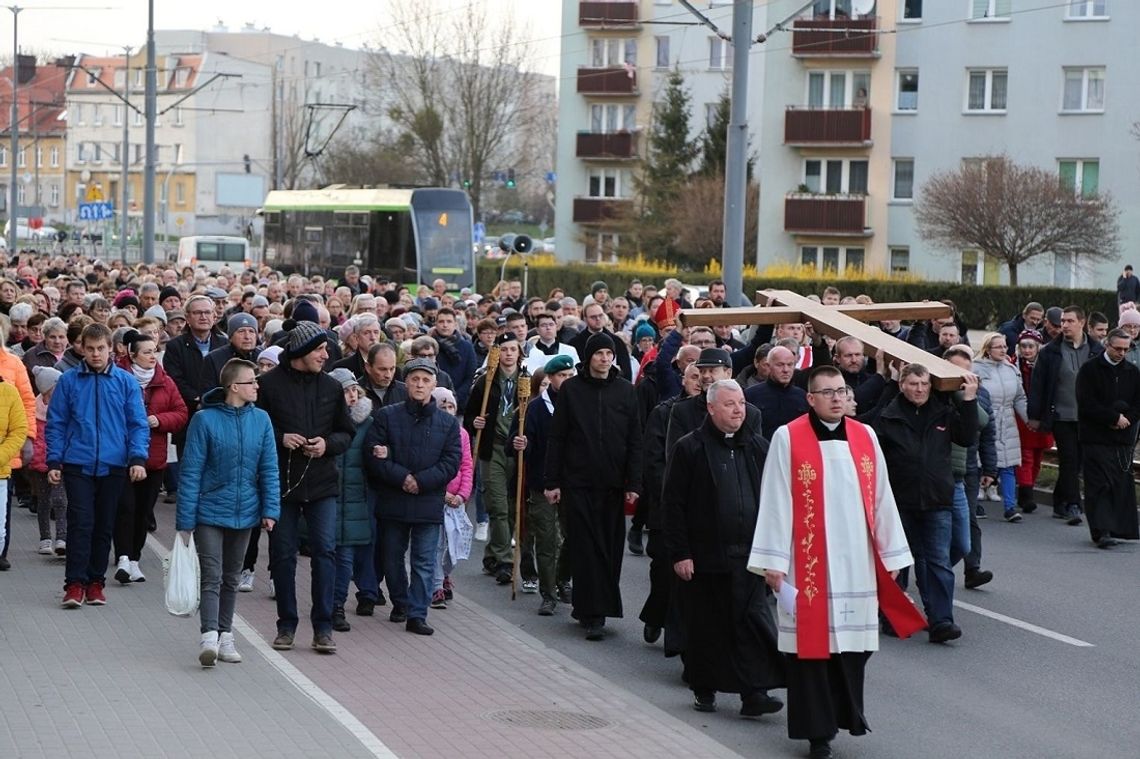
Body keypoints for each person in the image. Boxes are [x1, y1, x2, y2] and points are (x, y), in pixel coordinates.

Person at [750, 365, 918, 759]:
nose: (837, 398)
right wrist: (773, 561)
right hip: (806, 564)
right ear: (810, 398)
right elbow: (775, 499)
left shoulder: (865, 435)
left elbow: (881, 495)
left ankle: (846, 713)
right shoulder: (787, 437)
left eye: (841, 391)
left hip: (857, 562)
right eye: (827, 392)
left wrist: (890, 553)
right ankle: (817, 732)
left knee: (854, 648)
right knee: (812, 652)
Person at [662, 379, 785, 717]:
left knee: (751, 624)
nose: (737, 411)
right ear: (711, 408)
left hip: (750, 556)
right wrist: (680, 553)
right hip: (706, 557)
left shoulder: (758, 447)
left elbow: (775, 500)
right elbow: (673, 504)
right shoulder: (690, 448)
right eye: (730, 404)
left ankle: (754, 693)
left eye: (742, 404)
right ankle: (705, 687)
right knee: (709, 627)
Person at [257, 321, 355, 653]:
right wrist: (280, 437)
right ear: (300, 351)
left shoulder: (331, 387)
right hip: (281, 484)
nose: (327, 355)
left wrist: (327, 445)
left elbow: (346, 432)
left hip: (323, 483)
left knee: (325, 552)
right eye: (320, 349)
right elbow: (255, 428)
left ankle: (323, 628)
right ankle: (286, 626)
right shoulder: (267, 385)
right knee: (282, 556)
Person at [177, 358, 280, 667]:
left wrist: (270, 509)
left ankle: (226, 635)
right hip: (209, 510)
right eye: (252, 381)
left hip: (246, 511)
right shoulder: (204, 420)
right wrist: (185, 520)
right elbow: (191, 471)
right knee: (212, 575)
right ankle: (209, 635)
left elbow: (269, 468)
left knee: (231, 577)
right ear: (235, 387)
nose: (257, 386)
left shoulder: (262, 420)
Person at [544, 332, 642, 640]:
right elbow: (557, 437)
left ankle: (602, 605)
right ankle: (591, 612)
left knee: (610, 548)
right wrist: (552, 480)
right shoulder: (572, 390)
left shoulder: (626, 391)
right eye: (598, 353)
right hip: (578, 482)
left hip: (613, 484)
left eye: (608, 353)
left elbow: (635, 439)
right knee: (585, 547)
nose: (604, 358)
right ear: (588, 358)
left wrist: (634, 482)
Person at [47, 323, 149, 608]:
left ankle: (95, 582)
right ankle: (74, 584)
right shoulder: (69, 381)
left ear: (110, 350)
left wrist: (137, 458)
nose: (95, 354)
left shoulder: (125, 382)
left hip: (114, 464)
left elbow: (137, 424)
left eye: (100, 348)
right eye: (90, 349)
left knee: (104, 525)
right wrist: (54, 459)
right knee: (81, 523)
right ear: (82, 349)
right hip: (77, 463)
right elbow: (57, 423)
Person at [875, 364, 977, 643]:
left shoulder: (942, 411)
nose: (919, 389)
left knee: (939, 562)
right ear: (902, 385)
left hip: (936, 500)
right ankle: (894, 617)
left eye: (924, 384)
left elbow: (967, 436)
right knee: (897, 562)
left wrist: (968, 399)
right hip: (899, 502)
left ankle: (941, 620)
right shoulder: (889, 415)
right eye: (913, 384)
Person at [365, 358, 461, 636]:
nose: (420, 385)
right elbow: (374, 453)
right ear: (406, 382)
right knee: (391, 557)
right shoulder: (387, 416)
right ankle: (401, 601)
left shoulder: (447, 423)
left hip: (428, 500)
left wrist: (420, 481)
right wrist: (402, 477)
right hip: (394, 498)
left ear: (434, 384)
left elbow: (451, 461)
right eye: (415, 379)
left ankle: (417, 613)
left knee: (423, 560)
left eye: (426, 380)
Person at [112, 331, 188, 584]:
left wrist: (159, 420)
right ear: (132, 355)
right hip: (121, 456)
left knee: (143, 512)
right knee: (125, 508)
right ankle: (122, 557)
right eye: (146, 352)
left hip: (154, 458)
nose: (152, 356)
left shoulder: (164, 381)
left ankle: (134, 558)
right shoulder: (118, 377)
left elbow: (180, 413)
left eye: (154, 351)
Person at [1028, 306, 1102, 525]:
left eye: (1070, 321)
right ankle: (1073, 505)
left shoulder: (1096, 350)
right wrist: (1035, 414)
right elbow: (1038, 384)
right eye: (1063, 321)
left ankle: (1059, 500)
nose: (1065, 325)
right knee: (1069, 460)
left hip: (1088, 417)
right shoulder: (1051, 351)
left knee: (1078, 462)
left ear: (1082, 322)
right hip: (1061, 415)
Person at [511, 358, 573, 615]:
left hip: (573, 484)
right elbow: (514, 446)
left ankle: (563, 579)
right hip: (542, 485)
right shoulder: (534, 409)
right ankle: (548, 593)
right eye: (561, 375)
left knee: (571, 538)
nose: (566, 380)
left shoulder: (579, 404)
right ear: (551, 377)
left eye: (570, 374)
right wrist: (520, 445)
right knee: (547, 540)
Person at [464, 332, 524, 584]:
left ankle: (491, 554)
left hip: (517, 449)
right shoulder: (486, 382)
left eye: (513, 349)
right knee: (497, 505)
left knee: (511, 506)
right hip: (493, 448)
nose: (509, 354)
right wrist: (475, 422)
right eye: (504, 349)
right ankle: (505, 561)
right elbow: (468, 418)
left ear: (519, 353)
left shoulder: (526, 382)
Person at [1075, 328, 1140, 548]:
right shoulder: (1090, 370)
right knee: (1098, 484)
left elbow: (1138, 403)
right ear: (1107, 345)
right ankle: (1100, 530)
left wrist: (1127, 419)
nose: (1122, 353)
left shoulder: (1132, 371)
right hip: (1095, 436)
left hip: (1122, 438)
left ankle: (1118, 527)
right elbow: (1086, 403)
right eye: (1118, 348)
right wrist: (1113, 417)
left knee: (1120, 484)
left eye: (1126, 349)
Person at [326, 368, 380, 632]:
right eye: (344, 391)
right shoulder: (322, 420)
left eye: (353, 390)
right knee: (326, 556)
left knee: (346, 557)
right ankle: (324, 603)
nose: (350, 396)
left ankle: (337, 606)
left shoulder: (369, 422)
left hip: (357, 500)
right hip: (327, 497)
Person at [972, 332, 1027, 522]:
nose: (1003, 350)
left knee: (1008, 465)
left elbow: (1019, 397)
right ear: (988, 349)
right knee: (979, 463)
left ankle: (1010, 507)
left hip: (1007, 421)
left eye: (1005, 346)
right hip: (985, 418)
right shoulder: (976, 369)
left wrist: (1028, 419)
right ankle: (973, 503)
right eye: (999, 347)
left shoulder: (1010, 369)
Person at [430, 386, 473, 610]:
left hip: (456, 500)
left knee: (455, 544)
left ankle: (445, 574)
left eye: (450, 406)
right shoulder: (432, 432)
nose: (447, 410)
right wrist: (442, 493)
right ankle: (436, 585)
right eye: (442, 406)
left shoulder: (462, 434)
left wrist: (463, 494)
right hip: (439, 498)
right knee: (437, 544)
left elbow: (466, 465)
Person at [29, 367, 66, 556]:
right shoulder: (35, 410)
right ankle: (45, 538)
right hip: (40, 464)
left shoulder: (65, 407)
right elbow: (34, 439)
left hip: (59, 462)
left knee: (60, 500)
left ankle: (62, 537)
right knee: (43, 501)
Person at [1013, 330, 1052, 513]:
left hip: (1043, 414)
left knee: (1038, 455)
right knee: (1025, 455)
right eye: (1024, 346)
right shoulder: (1013, 365)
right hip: (1022, 415)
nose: (1027, 350)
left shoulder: (1045, 365)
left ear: (1038, 347)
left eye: (1031, 346)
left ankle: (1028, 486)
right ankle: (1026, 493)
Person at [745, 346, 808, 440]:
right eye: (780, 365)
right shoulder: (751, 395)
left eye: (790, 365)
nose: (786, 370)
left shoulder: (803, 397)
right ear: (769, 366)